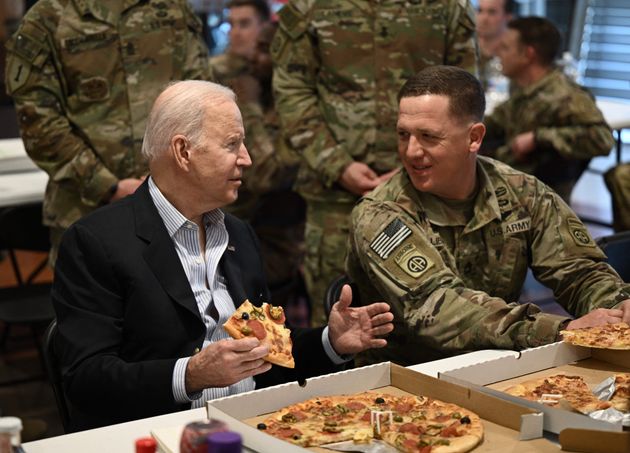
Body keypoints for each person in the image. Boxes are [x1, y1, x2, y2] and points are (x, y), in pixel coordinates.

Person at [52, 80, 394, 431]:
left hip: (254, 425)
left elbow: (267, 354)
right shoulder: (96, 242)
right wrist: (191, 374)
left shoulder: (239, 234)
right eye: (232, 144)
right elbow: (85, 379)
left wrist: (331, 342)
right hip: (162, 433)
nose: (247, 158)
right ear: (183, 152)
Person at [346, 65, 630, 367]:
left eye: (428, 136)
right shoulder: (380, 214)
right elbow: (437, 309)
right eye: (404, 135)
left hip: (501, 364)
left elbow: (578, 270)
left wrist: (616, 306)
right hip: (406, 381)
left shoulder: (522, 192)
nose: (412, 151)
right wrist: (561, 329)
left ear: (474, 137)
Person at [272, 0, 479, 326]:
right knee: (337, 319)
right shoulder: (309, 6)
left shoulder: (448, 7)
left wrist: (419, 159)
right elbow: (292, 90)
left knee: (433, 314)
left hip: (427, 194)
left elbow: (464, 92)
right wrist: (336, 164)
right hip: (337, 198)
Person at [4, 0, 212, 264]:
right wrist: (107, 186)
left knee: (184, 303)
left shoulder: (171, 7)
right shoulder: (49, 17)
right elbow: (38, 121)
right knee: (92, 302)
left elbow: (202, 98)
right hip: (87, 211)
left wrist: (170, 175)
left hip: (176, 207)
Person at [481, 17, 614, 203]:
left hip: (536, 199)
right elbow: (496, 122)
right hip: (508, 181)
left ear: (528, 54)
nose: (498, 53)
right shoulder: (524, 88)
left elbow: (603, 139)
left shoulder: (564, 94)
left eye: (505, 48)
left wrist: (538, 138)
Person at [221, 21, 306, 307]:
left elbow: (265, 174)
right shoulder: (258, 91)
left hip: (270, 244)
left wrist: (250, 108)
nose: (254, 58)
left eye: (265, 50)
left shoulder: (295, 111)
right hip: (232, 229)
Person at [209, 0, 270, 84]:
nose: (235, 32)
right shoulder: (213, 71)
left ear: (265, 28)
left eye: (244, 24)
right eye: (231, 24)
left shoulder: (279, 70)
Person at [476, 0, 514, 93]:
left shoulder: (516, 56)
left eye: (491, 12)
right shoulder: (461, 50)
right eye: (480, 10)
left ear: (508, 17)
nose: (483, 18)